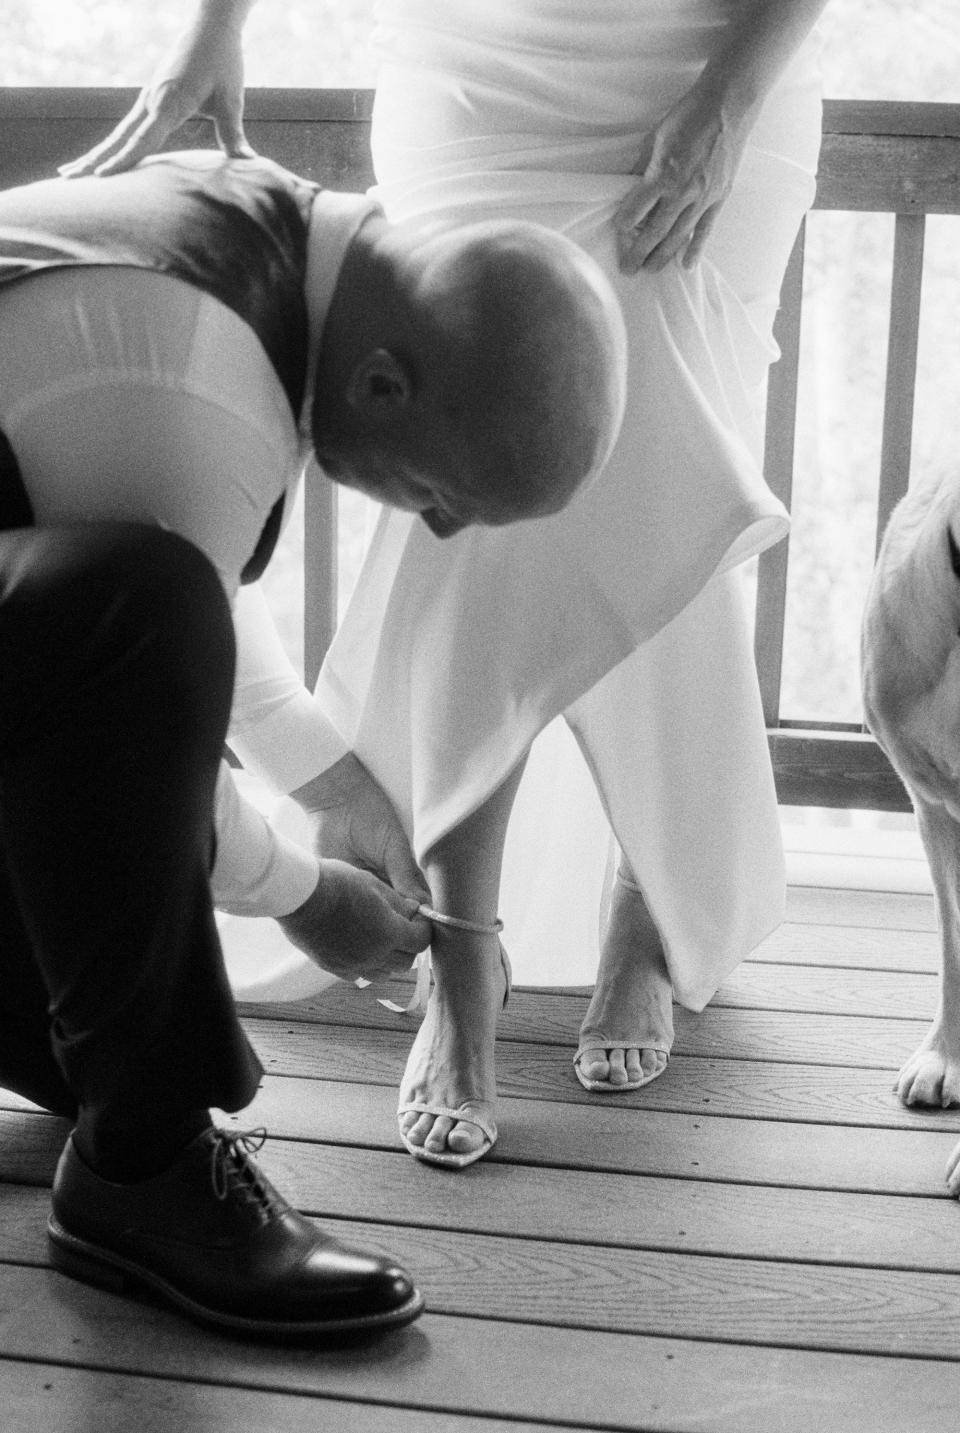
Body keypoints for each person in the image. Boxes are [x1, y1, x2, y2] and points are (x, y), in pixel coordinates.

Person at [69, 0, 826, 1167]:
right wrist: (214, 22)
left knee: (665, 463)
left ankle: (647, 895)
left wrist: (732, 89)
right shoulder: (201, 381)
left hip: (715, 56)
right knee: (468, 493)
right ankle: (465, 946)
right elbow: (174, 572)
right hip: (480, 66)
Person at [0, 147, 626, 1338]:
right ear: (385, 385)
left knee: (83, 1026)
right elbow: (133, 669)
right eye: (450, 495)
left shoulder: (272, 237)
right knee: (143, 612)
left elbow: (153, 544)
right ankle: (143, 1174)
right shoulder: (194, 376)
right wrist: (300, 895)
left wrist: (326, 779)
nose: (438, 526)